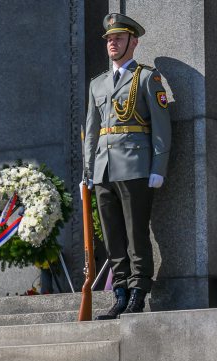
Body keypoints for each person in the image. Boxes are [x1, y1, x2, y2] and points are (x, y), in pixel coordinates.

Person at [83, 13, 172, 319]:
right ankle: (119, 292)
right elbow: (92, 131)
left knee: (136, 234)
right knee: (112, 237)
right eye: (109, 39)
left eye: (118, 38)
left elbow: (161, 127)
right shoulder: (98, 84)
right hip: (104, 170)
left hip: (135, 166)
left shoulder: (148, 79)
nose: (112, 43)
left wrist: (158, 166)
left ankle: (138, 292)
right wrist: (88, 171)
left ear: (133, 42)